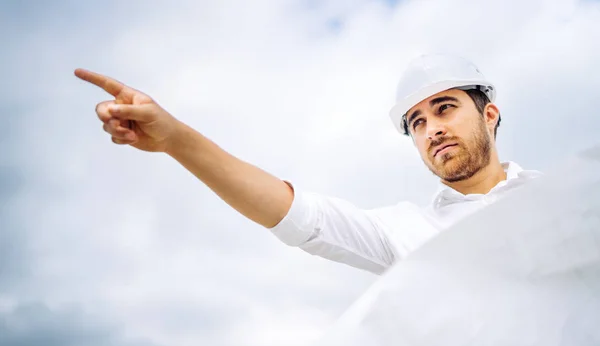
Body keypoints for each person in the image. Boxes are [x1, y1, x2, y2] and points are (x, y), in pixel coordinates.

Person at [75, 54, 542, 274]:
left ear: (489, 114)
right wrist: (176, 139)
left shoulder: (567, 195)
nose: (431, 129)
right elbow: (295, 213)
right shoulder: (405, 231)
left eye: (444, 108)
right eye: (416, 122)